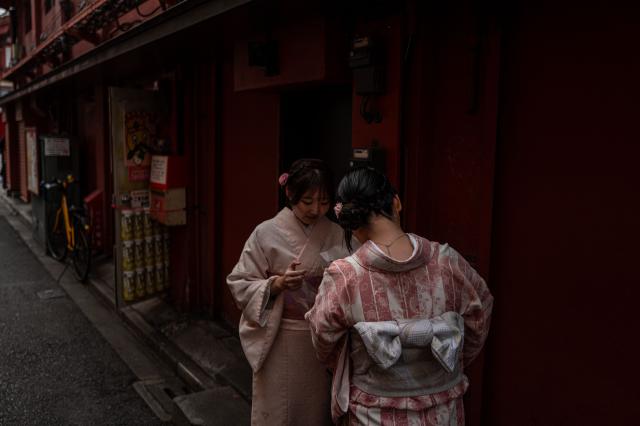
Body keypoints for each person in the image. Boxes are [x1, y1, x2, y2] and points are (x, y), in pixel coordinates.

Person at [306, 167, 494, 425]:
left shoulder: (345, 276)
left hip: (374, 413)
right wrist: (445, 359)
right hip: (443, 411)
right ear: (396, 202)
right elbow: (480, 316)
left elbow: (323, 340)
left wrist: (364, 364)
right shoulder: (449, 264)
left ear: (352, 223)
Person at [227, 159, 350, 426]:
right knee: (280, 412)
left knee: (317, 413)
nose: (316, 210)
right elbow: (239, 282)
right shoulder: (265, 233)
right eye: (307, 201)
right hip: (283, 337)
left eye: (324, 201)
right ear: (290, 194)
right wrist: (277, 284)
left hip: (322, 339)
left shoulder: (336, 232)